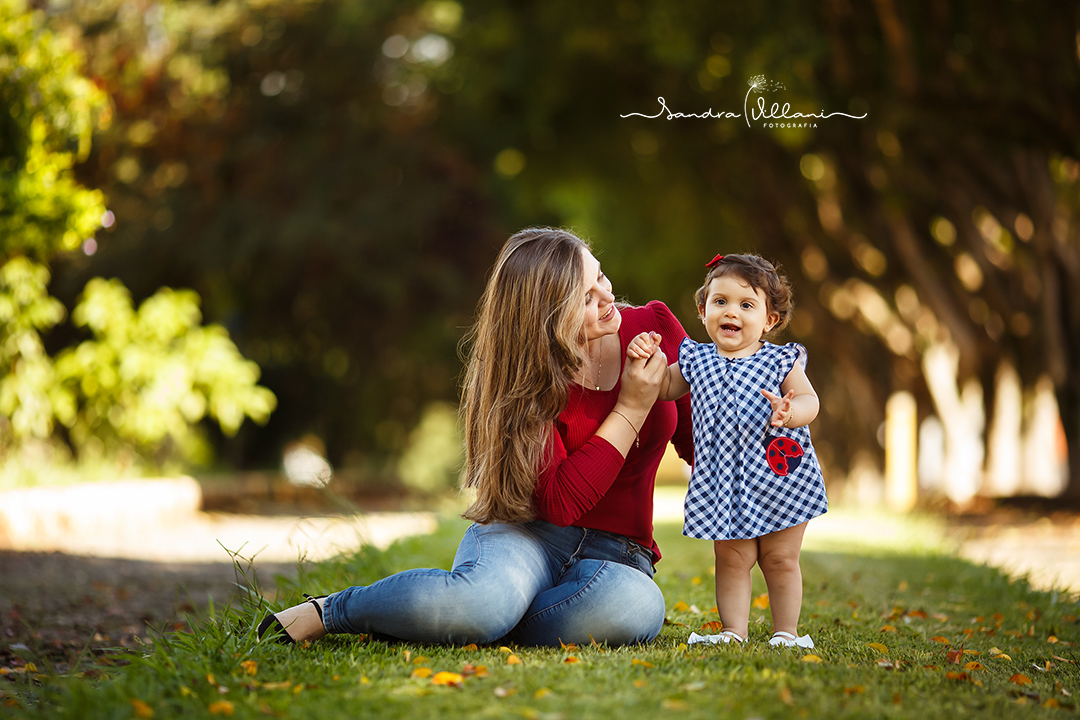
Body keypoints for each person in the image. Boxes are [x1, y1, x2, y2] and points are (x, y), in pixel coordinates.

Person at [258, 227, 694, 647]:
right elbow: (561, 502)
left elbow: (705, 438)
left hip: (620, 554)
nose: (607, 297)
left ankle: (486, 623)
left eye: (600, 276)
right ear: (546, 317)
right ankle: (333, 610)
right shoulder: (528, 373)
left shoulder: (655, 326)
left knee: (633, 608)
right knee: (483, 602)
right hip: (528, 536)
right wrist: (632, 407)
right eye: (585, 298)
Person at [626, 253, 827, 648]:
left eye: (746, 305)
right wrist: (647, 356)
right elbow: (663, 388)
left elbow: (810, 401)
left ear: (769, 320)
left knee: (780, 559)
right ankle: (734, 631)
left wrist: (789, 412)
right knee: (732, 560)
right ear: (703, 311)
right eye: (720, 302)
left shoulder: (781, 360)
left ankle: (786, 633)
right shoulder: (695, 360)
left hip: (780, 477)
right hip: (725, 482)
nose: (731, 312)